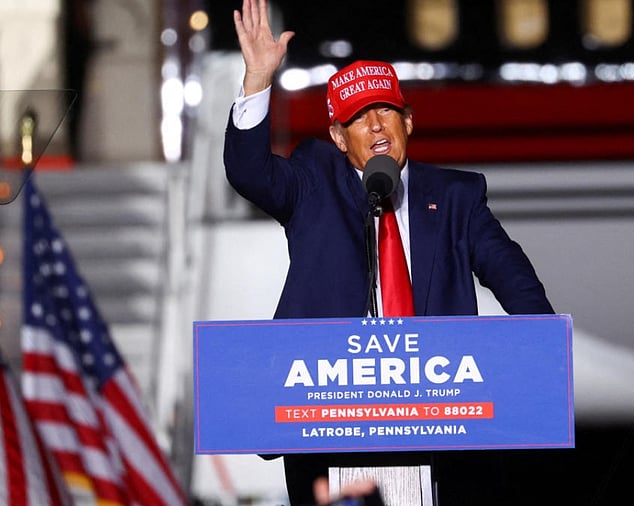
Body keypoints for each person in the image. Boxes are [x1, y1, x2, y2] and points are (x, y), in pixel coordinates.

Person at [225, 0, 555, 503]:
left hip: (445, 428)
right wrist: (257, 79)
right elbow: (249, 172)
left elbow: (511, 275)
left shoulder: (456, 197)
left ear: (409, 122)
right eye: (359, 118)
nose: (376, 127)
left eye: (385, 111)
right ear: (338, 137)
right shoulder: (313, 183)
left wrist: (542, 347)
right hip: (332, 427)